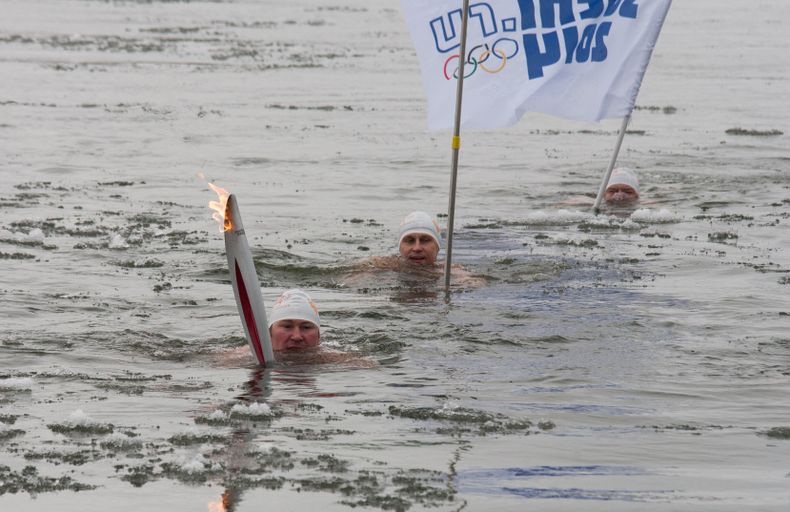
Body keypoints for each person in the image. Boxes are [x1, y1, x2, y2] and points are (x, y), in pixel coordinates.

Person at [345, 211, 484, 287]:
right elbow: (350, 281)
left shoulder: (449, 271)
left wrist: (467, 282)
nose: (417, 248)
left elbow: (475, 283)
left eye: (425, 240)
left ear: (437, 247)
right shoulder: (382, 264)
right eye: (410, 241)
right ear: (400, 247)